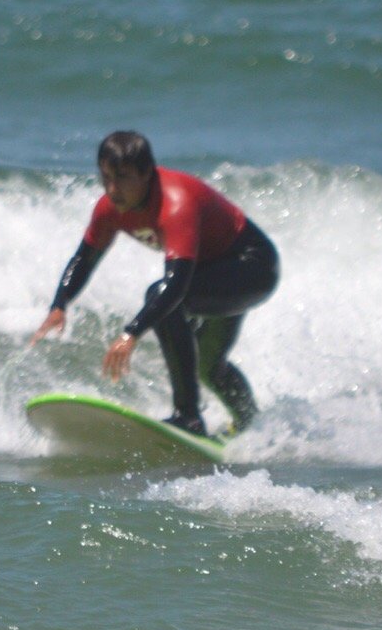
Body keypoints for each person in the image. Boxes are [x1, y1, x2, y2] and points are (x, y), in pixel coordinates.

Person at [30, 131, 279, 438]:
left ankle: (188, 416)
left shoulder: (175, 203)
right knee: (208, 364)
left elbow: (176, 286)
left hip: (252, 267)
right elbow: (84, 258)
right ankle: (251, 427)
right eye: (105, 178)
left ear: (147, 174)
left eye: (122, 178)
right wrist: (59, 304)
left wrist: (130, 333)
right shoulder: (109, 208)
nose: (112, 188)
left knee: (161, 297)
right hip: (211, 272)